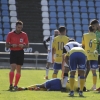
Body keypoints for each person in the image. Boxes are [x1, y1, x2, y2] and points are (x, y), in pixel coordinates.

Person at [5, 20, 29, 90]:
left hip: (20, 52)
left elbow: (27, 45)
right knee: (13, 67)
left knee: (19, 69)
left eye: (21, 27)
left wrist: (23, 46)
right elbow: (6, 45)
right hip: (13, 52)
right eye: (18, 27)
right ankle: (10, 84)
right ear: (15, 27)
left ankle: (15, 85)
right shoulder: (10, 34)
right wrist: (12, 45)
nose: (19, 29)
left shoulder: (24, 34)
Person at [82, 25, 98, 91]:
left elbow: (83, 45)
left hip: (86, 54)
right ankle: (94, 86)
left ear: (88, 30)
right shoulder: (96, 36)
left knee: (85, 70)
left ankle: (83, 85)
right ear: (94, 30)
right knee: (94, 71)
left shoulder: (85, 35)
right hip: (94, 55)